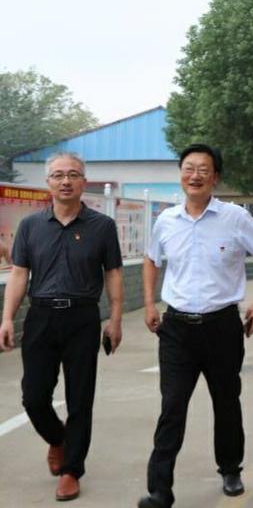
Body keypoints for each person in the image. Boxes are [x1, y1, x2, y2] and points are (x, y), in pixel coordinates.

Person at [138, 143, 253, 508]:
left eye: (203, 169)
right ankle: (159, 489)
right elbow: (151, 259)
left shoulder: (235, 218)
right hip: (176, 328)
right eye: (189, 168)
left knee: (226, 402)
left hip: (222, 328)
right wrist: (151, 302)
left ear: (215, 177)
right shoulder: (166, 221)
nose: (195, 175)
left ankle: (230, 469)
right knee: (172, 406)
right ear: (181, 175)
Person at [0, 152, 123, 502]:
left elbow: (113, 273)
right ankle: (58, 438)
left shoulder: (102, 226)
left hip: (82, 319)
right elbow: (19, 274)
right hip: (41, 317)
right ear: (48, 182)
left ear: (83, 181)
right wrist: (7, 318)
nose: (65, 181)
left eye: (73, 175)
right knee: (34, 397)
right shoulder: (31, 226)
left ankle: (71, 470)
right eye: (58, 175)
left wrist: (115, 319)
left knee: (80, 398)